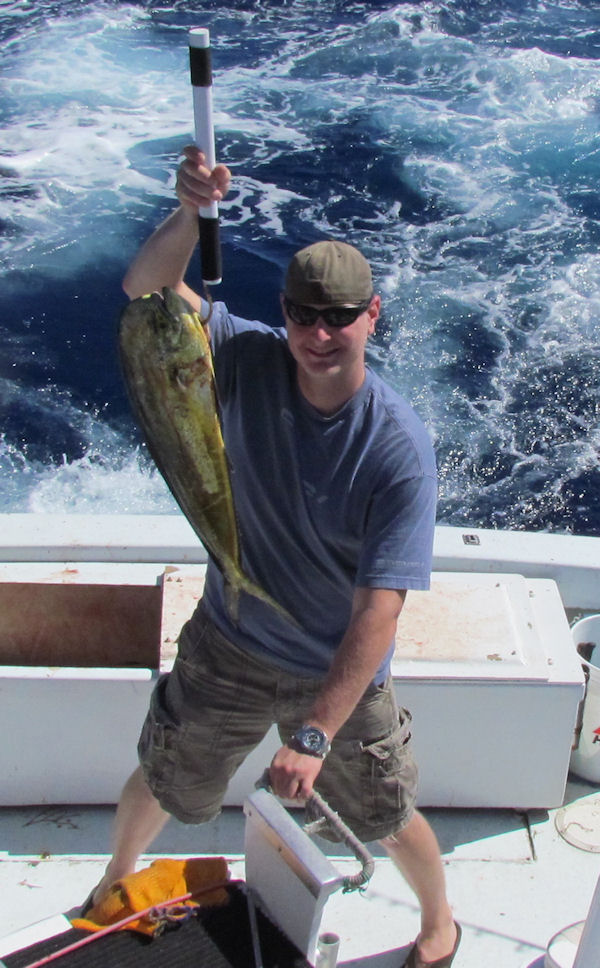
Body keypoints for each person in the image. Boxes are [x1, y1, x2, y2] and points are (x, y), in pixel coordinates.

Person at [94, 145, 460, 968]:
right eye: (304, 316)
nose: (319, 335)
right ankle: (114, 879)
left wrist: (317, 735)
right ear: (284, 314)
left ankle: (439, 923)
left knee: (384, 815)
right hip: (229, 636)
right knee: (164, 774)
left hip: (334, 665)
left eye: (340, 317)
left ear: (374, 317)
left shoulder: (397, 449)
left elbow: (379, 614)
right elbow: (148, 293)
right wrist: (192, 210)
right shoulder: (242, 352)